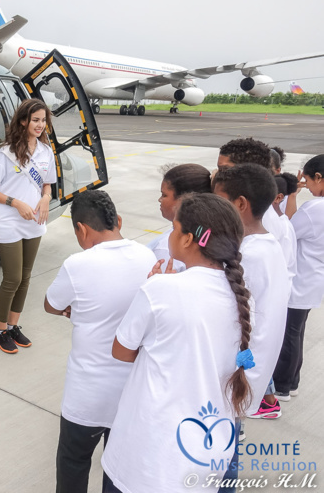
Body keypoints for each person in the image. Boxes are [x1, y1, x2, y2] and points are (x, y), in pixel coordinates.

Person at [102, 193, 252, 493]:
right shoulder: (241, 296)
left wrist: (154, 285)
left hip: (151, 455)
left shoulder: (160, 289)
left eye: (174, 227)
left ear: (187, 240)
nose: (169, 233)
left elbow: (121, 350)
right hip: (207, 452)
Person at [43, 190, 156, 493]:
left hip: (87, 394)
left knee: (73, 461)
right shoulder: (147, 256)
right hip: (130, 390)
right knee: (117, 467)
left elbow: (51, 304)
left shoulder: (77, 265)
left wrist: (73, 306)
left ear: (81, 229)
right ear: (118, 220)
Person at [212, 165, 290, 420]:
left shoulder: (249, 257)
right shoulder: (267, 246)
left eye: (218, 201)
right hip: (248, 376)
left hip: (234, 380)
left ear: (241, 204)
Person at [0, 98, 57, 354]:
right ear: (23, 121)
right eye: (35, 120)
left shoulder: (46, 152)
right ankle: (0, 330)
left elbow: (47, 183)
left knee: (25, 277)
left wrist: (46, 198)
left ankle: (13, 326)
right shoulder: (7, 153)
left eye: (43, 120)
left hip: (34, 222)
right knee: (12, 277)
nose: (40, 125)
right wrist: (15, 203)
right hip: (9, 222)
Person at [273, 154, 324, 401]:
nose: (306, 184)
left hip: (301, 280)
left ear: (318, 178)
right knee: (297, 331)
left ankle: (282, 385)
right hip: (314, 278)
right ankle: (291, 381)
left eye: (307, 179)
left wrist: (292, 194)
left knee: (289, 334)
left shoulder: (316, 208)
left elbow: (289, 228)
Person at [147, 163, 211, 272]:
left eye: (164, 195)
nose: (160, 199)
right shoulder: (211, 231)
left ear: (183, 200)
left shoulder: (167, 248)